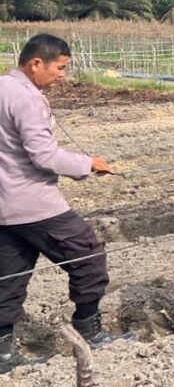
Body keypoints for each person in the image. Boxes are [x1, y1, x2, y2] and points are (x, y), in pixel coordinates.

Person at [0, 34, 135, 371]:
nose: (63, 75)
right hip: (34, 202)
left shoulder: (2, 88)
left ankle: (2, 355)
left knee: (8, 277)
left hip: (4, 205)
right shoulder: (27, 99)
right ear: (35, 64)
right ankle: (90, 331)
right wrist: (88, 164)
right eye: (59, 68)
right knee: (89, 256)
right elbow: (44, 156)